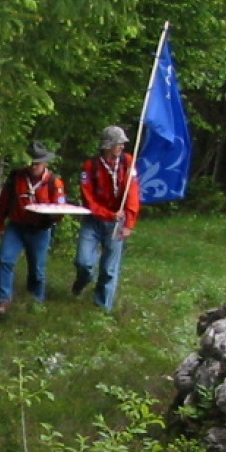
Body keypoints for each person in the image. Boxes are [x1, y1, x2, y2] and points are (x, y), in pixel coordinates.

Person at [0, 141, 69, 321]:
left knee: (37, 270)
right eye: (31, 162)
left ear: (45, 163)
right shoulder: (17, 178)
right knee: (4, 261)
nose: (33, 166)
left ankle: (36, 302)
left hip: (40, 230)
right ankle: (2, 302)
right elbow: (3, 203)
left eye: (37, 163)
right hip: (16, 227)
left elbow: (60, 210)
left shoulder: (54, 183)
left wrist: (51, 217)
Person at [72, 125, 141, 312]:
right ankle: (82, 282)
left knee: (109, 269)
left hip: (117, 223)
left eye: (122, 143)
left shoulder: (127, 163)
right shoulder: (90, 166)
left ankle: (102, 308)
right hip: (93, 220)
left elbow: (132, 193)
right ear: (107, 145)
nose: (122, 147)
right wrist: (107, 214)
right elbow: (88, 199)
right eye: (118, 143)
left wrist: (129, 223)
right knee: (83, 261)